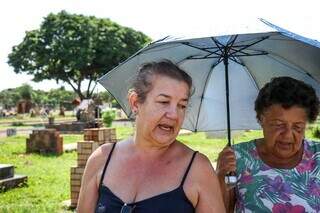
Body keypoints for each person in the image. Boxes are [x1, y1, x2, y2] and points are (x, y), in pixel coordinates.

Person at [77, 60, 225, 213]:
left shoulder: (198, 169)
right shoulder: (101, 159)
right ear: (135, 103)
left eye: (182, 105)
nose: (174, 115)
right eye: (164, 101)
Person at [217, 76, 320, 212]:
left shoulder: (317, 155)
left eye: (298, 127)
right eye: (278, 125)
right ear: (261, 119)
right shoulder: (237, 157)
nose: (288, 135)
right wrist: (221, 177)